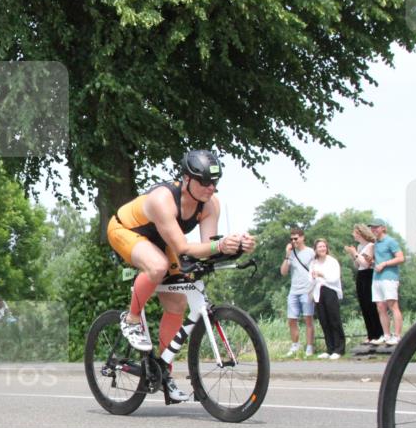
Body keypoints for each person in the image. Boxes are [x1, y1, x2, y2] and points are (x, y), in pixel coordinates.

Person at [107, 150, 255, 402]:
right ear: (187, 179)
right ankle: (131, 319)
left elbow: (207, 249)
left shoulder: (211, 204)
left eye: (215, 182)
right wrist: (219, 246)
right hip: (126, 230)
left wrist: (236, 246)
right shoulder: (162, 199)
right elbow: (184, 248)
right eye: (205, 182)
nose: (211, 188)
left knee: (177, 302)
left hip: (162, 239)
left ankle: (163, 372)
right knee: (157, 266)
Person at [344, 224, 383, 344]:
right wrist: (353, 254)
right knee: (364, 305)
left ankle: (378, 333)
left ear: (360, 233)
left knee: (370, 304)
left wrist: (355, 253)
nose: (353, 235)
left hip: (368, 275)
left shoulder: (370, 246)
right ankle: (370, 334)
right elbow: (357, 265)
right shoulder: (359, 246)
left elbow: (366, 264)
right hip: (360, 275)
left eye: (354, 232)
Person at [281, 227, 316, 357]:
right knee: (291, 319)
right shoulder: (291, 254)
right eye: (291, 239)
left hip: (307, 290)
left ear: (302, 237)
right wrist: (287, 255)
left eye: (296, 238)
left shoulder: (310, 252)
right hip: (294, 290)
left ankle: (310, 346)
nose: (294, 241)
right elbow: (283, 272)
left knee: (308, 319)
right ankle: (295, 345)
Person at [369, 219, 405, 345]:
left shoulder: (391, 241)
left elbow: (401, 258)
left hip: (389, 278)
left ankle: (397, 336)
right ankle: (386, 335)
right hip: (376, 278)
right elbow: (377, 261)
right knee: (380, 307)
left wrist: (384, 264)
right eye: (372, 227)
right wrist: (372, 262)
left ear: (383, 228)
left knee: (393, 306)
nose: (373, 229)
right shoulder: (375, 243)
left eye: (376, 227)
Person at [309, 239, 345, 360]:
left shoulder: (332, 261)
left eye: (324, 246)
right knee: (324, 321)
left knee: (334, 319)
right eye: (320, 247)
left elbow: (334, 278)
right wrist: (314, 277)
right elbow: (310, 279)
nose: (322, 249)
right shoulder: (313, 263)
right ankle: (330, 348)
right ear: (315, 249)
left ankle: (339, 348)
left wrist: (322, 274)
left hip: (330, 290)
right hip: (318, 292)